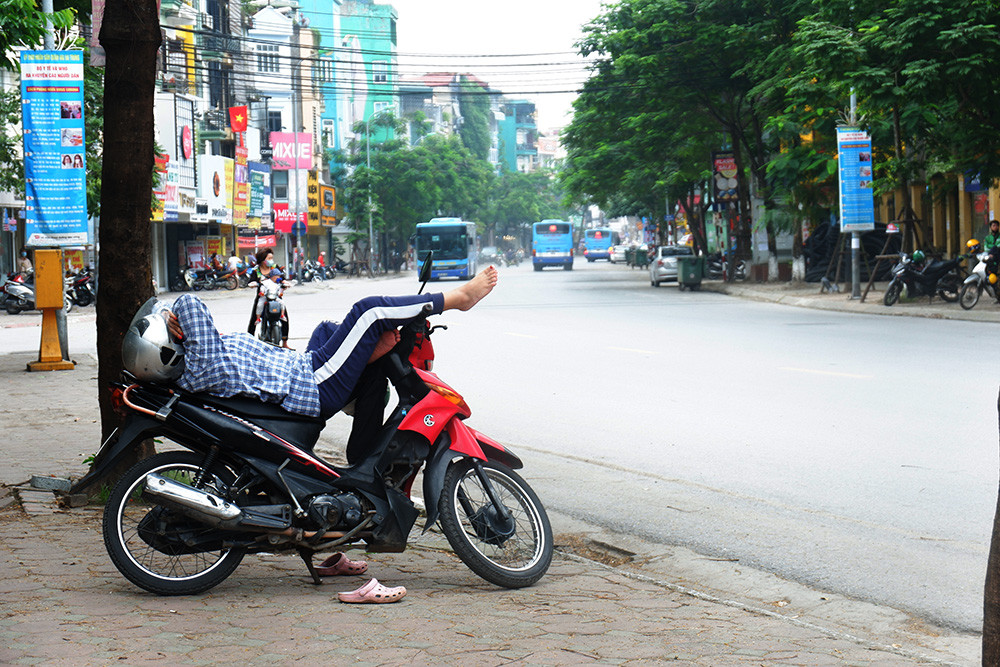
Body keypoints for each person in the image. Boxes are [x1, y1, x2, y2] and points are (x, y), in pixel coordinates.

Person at [247, 247, 282, 337]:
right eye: (269, 258)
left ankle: (285, 341)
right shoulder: (256, 270)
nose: (271, 260)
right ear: (262, 260)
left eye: (272, 258)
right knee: (254, 317)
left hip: (274, 295)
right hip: (262, 296)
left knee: (283, 314)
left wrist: (285, 283)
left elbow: (282, 278)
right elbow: (251, 281)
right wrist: (253, 283)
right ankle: (250, 338)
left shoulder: (275, 268)